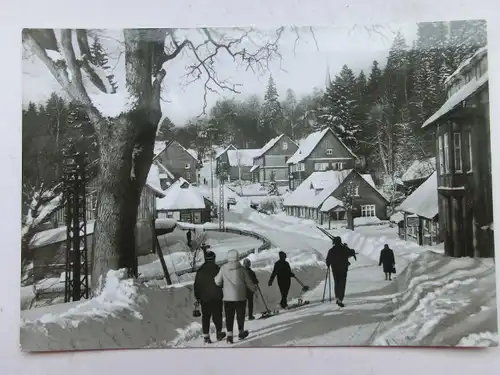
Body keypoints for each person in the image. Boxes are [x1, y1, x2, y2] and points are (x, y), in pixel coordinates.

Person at [214, 249, 257, 344]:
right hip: (240, 297)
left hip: (228, 298)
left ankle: (229, 336)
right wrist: (254, 288)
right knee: (240, 315)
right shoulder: (242, 270)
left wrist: (222, 283)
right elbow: (249, 282)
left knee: (229, 316)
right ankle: (241, 332)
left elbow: (217, 281)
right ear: (238, 257)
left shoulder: (223, 268)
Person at [193, 251, 226, 344]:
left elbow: (196, 285)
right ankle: (219, 333)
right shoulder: (217, 269)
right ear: (213, 259)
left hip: (205, 299)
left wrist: (198, 297)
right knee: (217, 316)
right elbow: (222, 282)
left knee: (206, 317)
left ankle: (206, 337)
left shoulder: (200, 271)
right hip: (216, 297)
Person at [325, 236, 356, 308]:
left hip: (335, 269)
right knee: (342, 284)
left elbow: (328, 261)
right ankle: (340, 299)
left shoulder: (331, 250)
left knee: (337, 283)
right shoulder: (344, 249)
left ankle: (337, 297)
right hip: (343, 269)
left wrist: (328, 264)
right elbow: (352, 252)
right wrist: (346, 246)